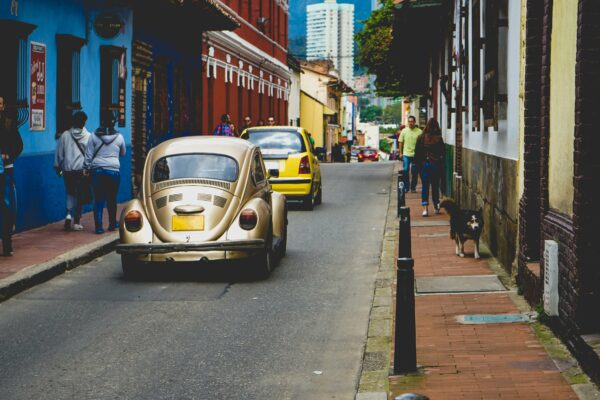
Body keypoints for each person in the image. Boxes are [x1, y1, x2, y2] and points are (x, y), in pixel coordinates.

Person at [84, 110, 126, 234]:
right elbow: (123, 153)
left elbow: (88, 155)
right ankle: (112, 224)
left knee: (98, 199)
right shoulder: (119, 137)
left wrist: (86, 168)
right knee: (112, 199)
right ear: (113, 122)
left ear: (101, 122)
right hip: (113, 172)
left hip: (97, 171)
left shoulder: (93, 136)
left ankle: (98, 227)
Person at [54, 111, 91, 231]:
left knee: (70, 192)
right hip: (81, 170)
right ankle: (77, 222)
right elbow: (90, 155)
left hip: (68, 170)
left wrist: (57, 166)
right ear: (84, 122)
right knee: (80, 195)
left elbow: (59, 153)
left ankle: (68, 214)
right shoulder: (88, 136)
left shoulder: (65, 135)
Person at [0, 95, 23, 256]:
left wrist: (8, 155)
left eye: (0, 103)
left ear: (3, 105)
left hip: (6, 170)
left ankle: (7, 244)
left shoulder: (8, 123)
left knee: (7, 206)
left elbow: (19, 145)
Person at [414, 118, 445, 217]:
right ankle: (436, 206)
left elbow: (417, 153)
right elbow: (442, 152)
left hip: (425, 165)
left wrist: (419, 166)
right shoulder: (439, 138)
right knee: (435, 187)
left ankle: (425, 208)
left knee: (425, 186)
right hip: (435, 165)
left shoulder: (421, 137)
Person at [398, 116, 422, 193]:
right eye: (409, 121)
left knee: (414, 172)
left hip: (416, 155)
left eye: (412, 121)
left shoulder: (419, 132)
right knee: (405, 170)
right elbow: (400, 142)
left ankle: (413, 187)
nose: (410, 123)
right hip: (406, 154)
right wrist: (400, 153)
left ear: (415, 122)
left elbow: (422, 144)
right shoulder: (404, 131)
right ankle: (406, 187)